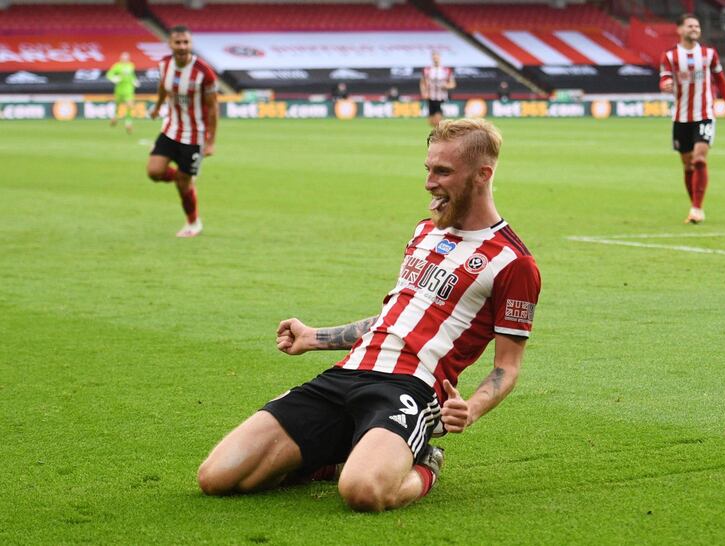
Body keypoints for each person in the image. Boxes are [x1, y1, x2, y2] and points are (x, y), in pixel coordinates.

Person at [197, 118, 542, 512]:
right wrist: (315, 337)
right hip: (346, 375)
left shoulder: (514, 263)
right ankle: (345, 451)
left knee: (363, 492)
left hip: (411, 388)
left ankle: (426, 461)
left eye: (442, 172)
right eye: (428, 169)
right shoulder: (423, 232)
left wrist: (472, 409)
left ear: (483, 175)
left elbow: (507, 368)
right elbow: (394, 318)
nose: (429, 182)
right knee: (218, 477)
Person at [659, 13, 725, 224]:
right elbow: (664, 78)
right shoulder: (670, 56)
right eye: (690, 26)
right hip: (681, 117)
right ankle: (694, 205)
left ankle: (697, 208)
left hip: (704, 115)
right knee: (687, 165)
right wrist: (665, 85)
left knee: (699, 158)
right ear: (680, 29)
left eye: (697, 26)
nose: (695, 29)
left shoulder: (709, 54)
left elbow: (721, 81)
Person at [147, 25, 218, 238]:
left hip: (194, 135)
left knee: (183, 184)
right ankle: (184, 177)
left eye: (186, 42)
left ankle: (193, 222)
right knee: (154, 172)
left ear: (191, 44)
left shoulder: (204, 73)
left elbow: (213, 108)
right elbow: (163, 86)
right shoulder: (164, 65)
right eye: (178, 42)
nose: (182, 46)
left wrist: (211, 141)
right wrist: (159, 106)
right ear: (170, 44)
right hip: (171, 128)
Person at [106, 52, 139, 134]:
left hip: (129, 89)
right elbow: (109, 74)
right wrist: (114, 78)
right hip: (119, 90)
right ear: (121, 59)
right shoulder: (117, 66)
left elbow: (132, 75)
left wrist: (135, 80)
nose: (125, 60)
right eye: (124, 58)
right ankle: (115, 117)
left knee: (129, 105)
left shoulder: (131, 65)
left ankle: (128, 123)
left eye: (126, 58)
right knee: (118, 105)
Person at [420, 51, 456, 127]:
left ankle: (439, 134)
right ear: (432, 58)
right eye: (434, 57)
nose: (436, 59)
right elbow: (422, 82)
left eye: (437, 57)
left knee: (438, 119)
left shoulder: (446, 70)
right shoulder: (427, 70)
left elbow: (452, 84)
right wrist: (424, 92)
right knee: (431, 121)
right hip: (430, 96)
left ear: (440, 58)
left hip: (441, 97)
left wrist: (446, 86)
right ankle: (436, 133)